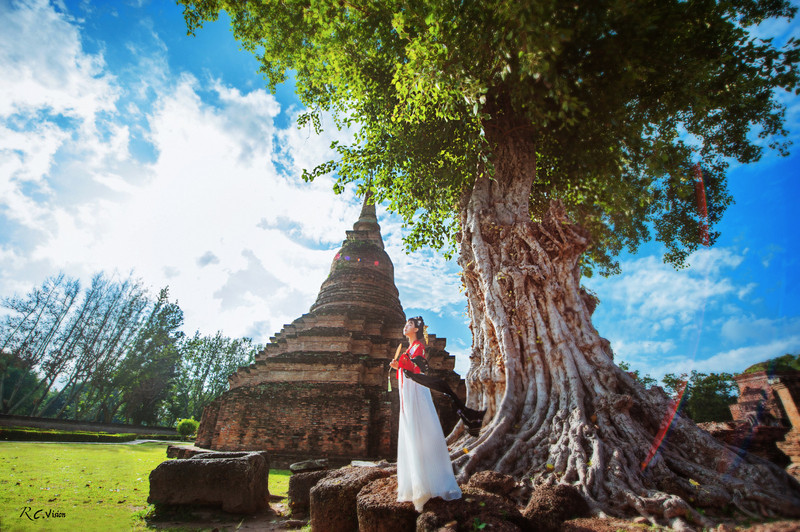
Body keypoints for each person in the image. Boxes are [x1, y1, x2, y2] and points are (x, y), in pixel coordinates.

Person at [390, 316, 462, 512]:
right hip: (409, 391)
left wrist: (404, 363)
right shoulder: (410, 349)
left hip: (417, 391)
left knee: (420, 428)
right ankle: (416, 481)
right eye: (406, 324)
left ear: (417, 329)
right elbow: (409, 368)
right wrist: (400, 366)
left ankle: (429, 482)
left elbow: (420, 369)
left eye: (410, 325)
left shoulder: (419, 347)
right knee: (412, 431)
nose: (406, 326)